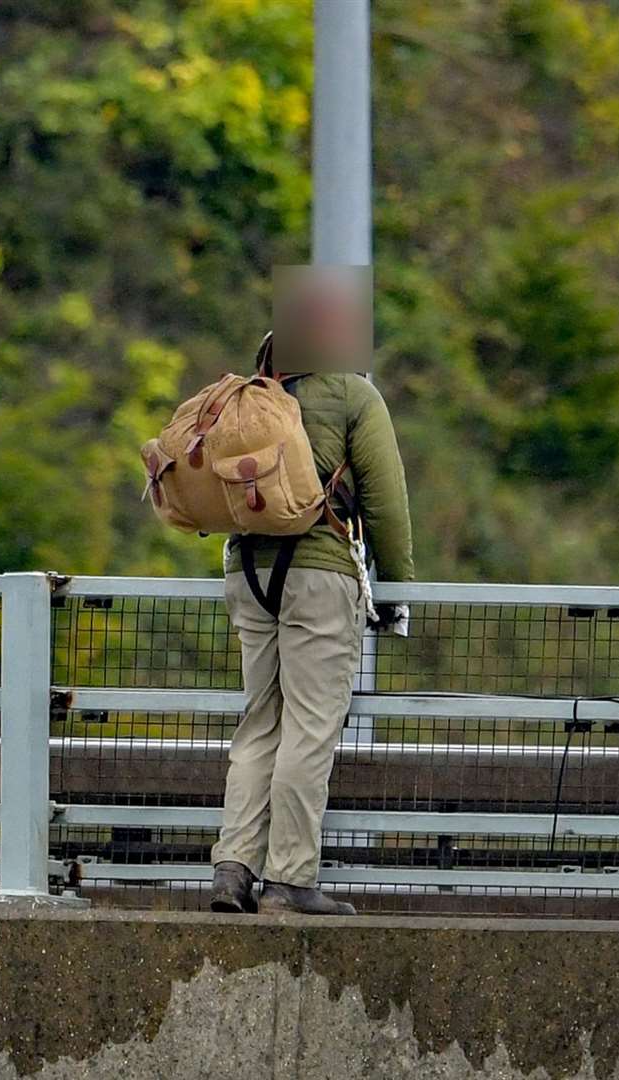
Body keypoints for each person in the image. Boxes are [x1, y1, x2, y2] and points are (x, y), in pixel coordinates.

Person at [209, 306, 414, 917]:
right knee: (310, 724)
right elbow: (385, 503)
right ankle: (290, 880)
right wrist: (397, 591)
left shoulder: (257, 396)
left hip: (247, 573)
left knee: (260, 722)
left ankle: (232, 870)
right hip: (320, 574)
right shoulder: (355, 396)